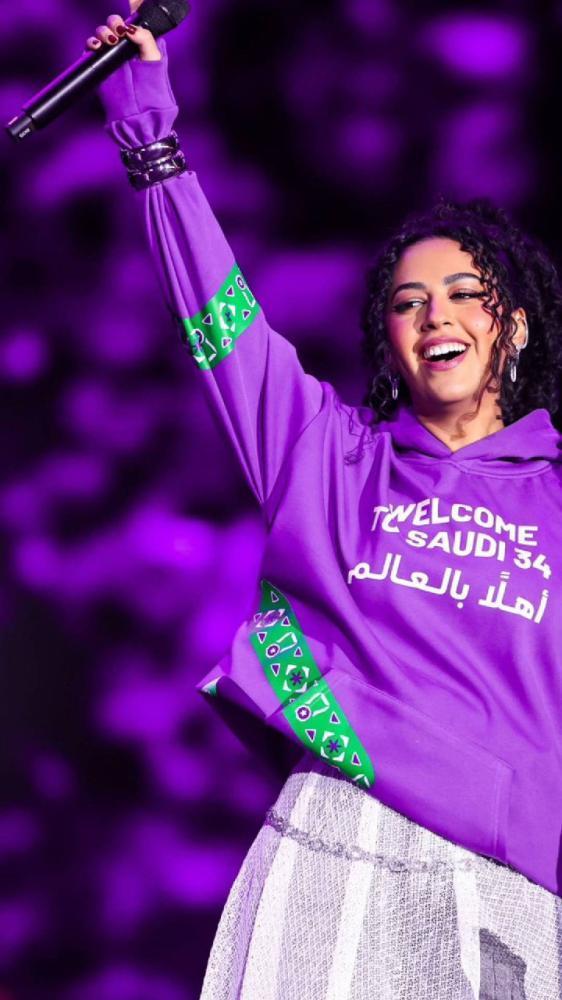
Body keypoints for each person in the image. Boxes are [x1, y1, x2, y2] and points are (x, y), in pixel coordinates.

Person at [89, 7, 562, 998]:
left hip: (516, 885)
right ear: (387, 341)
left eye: (464, 292)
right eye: (406, 301)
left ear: (514, 325)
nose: (432, 314)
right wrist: (150, 140)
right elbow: (221, 321)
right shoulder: (328, 459)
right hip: (336, 843)